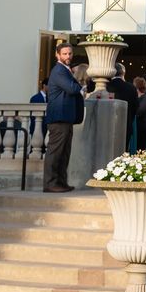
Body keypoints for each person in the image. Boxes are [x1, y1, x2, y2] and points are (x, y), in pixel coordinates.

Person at [42, 42, 83, 192]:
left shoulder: (65, 70)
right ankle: (50, 184)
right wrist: (79, 77)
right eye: (64, 54)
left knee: (64, 153)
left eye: (70, 53)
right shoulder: (59, 70)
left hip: (66, 118)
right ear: (57, 55)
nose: (68, 56)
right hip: (59, 118)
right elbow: (72, 89)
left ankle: (61, 182)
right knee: (55, 152)